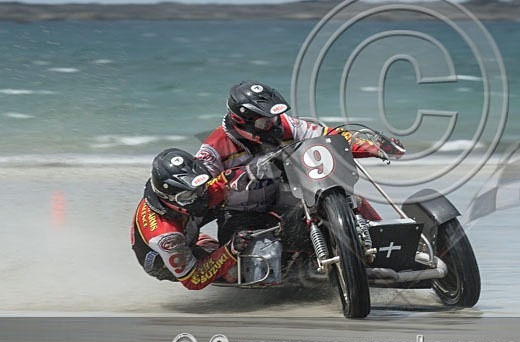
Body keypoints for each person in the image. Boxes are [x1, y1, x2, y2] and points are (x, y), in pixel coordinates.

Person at [195, 80, 405, 239]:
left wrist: (373, 147)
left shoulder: (288, 125)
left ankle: (385, 240)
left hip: (288, 199)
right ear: (242, 122)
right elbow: (199, 196)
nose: (272, 125)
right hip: (242, 214)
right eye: (263, 122)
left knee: (351, 199)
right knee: (255, 261)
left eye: (273, 118)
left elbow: (329, 137)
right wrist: (237, 177)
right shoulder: (213, 149)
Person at [130, 148, 250, 290]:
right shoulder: (167, 237)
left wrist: (250, 171)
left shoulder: (183, 195)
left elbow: (218, 184)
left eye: (200, 188)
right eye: (187, 196)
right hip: (166, 260)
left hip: (185, 223)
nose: (199, 198)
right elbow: (194, 279)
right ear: (168, 197)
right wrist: (230, 250)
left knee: (236, 187)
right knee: (234, 271)